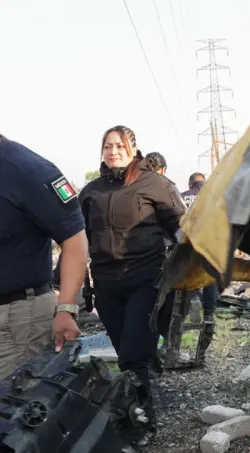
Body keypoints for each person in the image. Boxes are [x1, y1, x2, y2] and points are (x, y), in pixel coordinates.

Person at [79, 126, 185, 445]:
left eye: (119, 145)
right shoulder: (91, 192)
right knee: (126, 351)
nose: (113, 151)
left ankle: (142, 424)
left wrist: (190, 264)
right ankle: (135, 403)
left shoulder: (156, 184)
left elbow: (182, 227)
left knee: (132, 357)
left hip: (146, 279)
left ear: (133, 148)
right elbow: (78, 239)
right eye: (108, 146)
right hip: (107, 286)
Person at [0, 135, 87, 377]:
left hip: (16, 320)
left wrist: (66, 308)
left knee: (12, 408)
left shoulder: (27, 169)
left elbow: (75, 239)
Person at [180, 172, 218, 323]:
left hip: (187, 242)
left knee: (188, 274)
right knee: (210, 277)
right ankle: (209, 314)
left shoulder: (181, 196)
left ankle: (194, 298)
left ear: (190, 184)